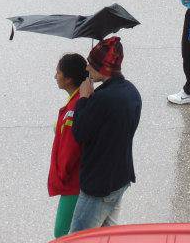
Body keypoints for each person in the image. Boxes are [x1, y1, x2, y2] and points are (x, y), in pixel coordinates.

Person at [68, 36, 141, 234]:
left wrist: (83, 100)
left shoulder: (101, 99)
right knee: (108, 236)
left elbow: (80, 133)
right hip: (121, 177)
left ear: (102, 68)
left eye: (91, 65)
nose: (86, 69)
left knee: (79, 237)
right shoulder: (132, 92)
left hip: (99, 186)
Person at [49, 53, 87, 239]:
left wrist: (61, 176)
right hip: (80, 180)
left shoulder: (74, 109)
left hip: (73, 182)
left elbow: (70, 151)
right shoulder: (81, 98)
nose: (55, 76)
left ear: (69, 79)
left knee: (62, 234)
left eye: (58, 72)